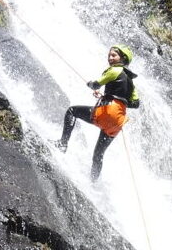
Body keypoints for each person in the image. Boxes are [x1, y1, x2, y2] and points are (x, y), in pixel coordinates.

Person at [54, 45, 140, 180]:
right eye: (109, 55)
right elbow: (136, 103)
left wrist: (91, 85)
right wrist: (114, 98)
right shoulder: (131, 82)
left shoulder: (114, 70)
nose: (110, 58)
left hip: (106, 112)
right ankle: (93, 182)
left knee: (72, 111)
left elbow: (96, 84)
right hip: (118, 121)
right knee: (98, 154)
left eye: (113, 55)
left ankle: (62, 144)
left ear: (123, 59)